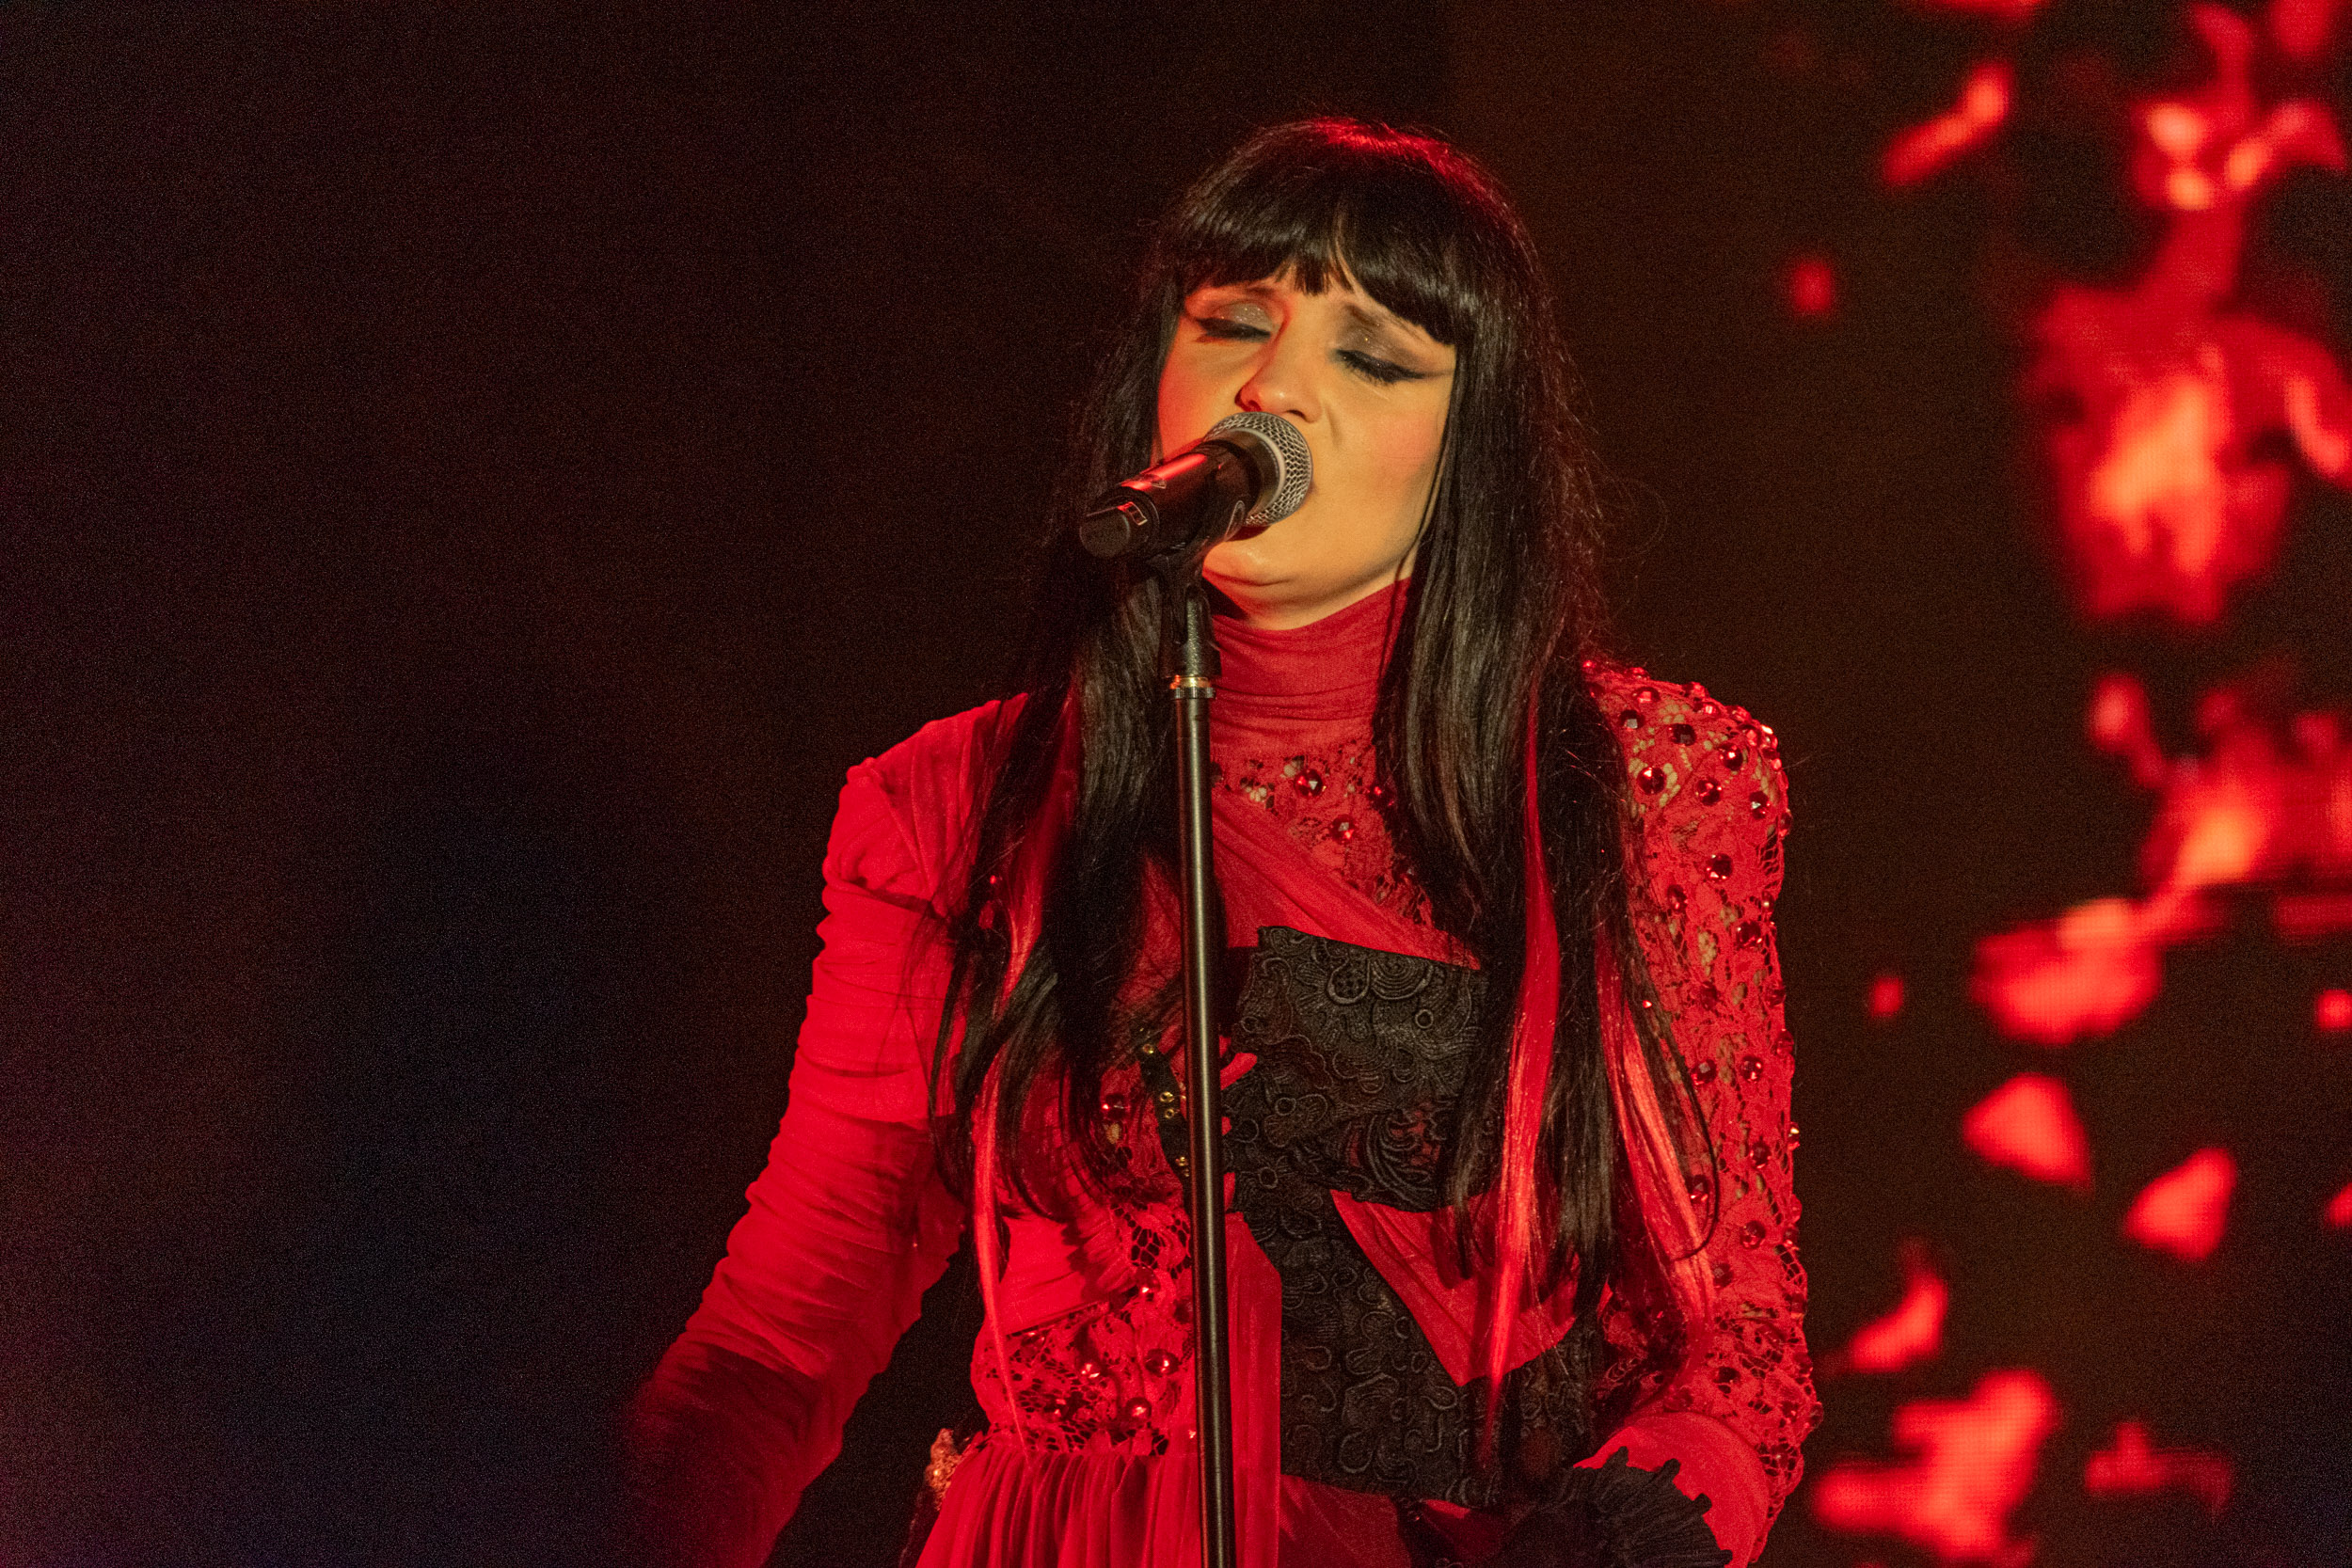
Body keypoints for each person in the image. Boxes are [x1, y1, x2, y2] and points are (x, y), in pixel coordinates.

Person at [626, 119, 1818, 1568]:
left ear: (1473, 444)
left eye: (1370, 356)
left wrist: (1627, 1528)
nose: (1272, 389)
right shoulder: (963, 807)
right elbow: (779, 1342)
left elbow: (1737, 1356)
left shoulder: (1640, 783)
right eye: (1237, 324)